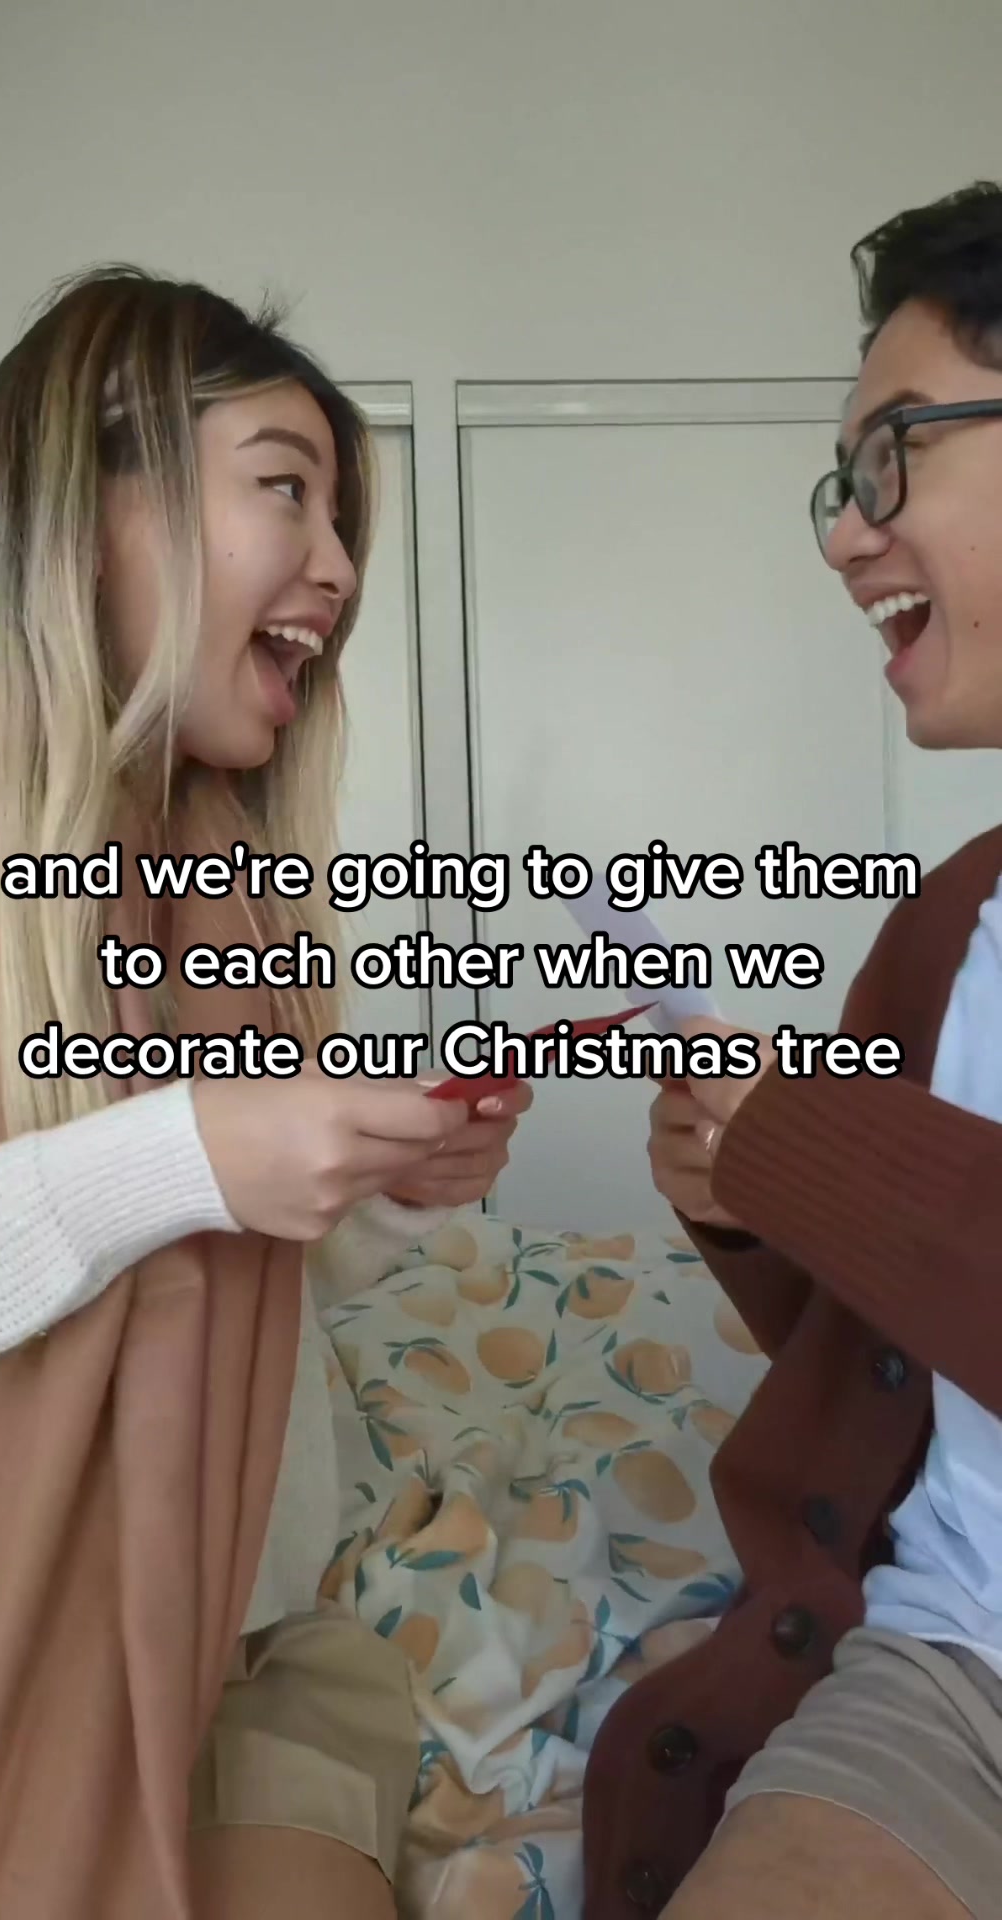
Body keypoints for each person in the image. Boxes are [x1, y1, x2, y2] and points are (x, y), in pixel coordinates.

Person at [0, 266, 531, 1916]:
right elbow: (159, 1188)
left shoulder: (235, 878)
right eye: (285, 489)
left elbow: (253, 1278)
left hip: (257, 1642)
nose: (338, 568)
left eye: (342, 519)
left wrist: (389, 1184)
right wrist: (182, 1154)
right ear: (93, 506)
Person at [582, 181, 1002, 1920]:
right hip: (957, 1682)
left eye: (893, 455)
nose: (845, 537)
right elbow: (892, 1368)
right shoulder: (952, 921)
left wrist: (817, 1148)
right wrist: (753, 1206)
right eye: (841, 483)